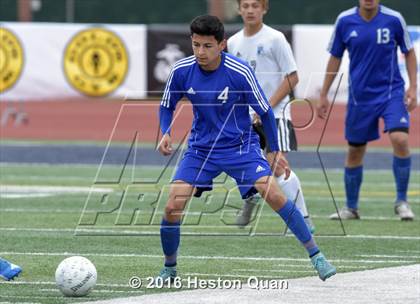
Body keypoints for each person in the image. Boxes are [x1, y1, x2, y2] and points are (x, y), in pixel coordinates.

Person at [157, 14, 336, 282]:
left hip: (240, 147)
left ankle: (317, 255)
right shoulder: (182, 70)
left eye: (207, 46)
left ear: (222, 45)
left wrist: (273, 150)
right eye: (195, 45)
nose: (200, 52)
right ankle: (169, 267)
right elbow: (166, 104)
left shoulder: (239, 71)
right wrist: (165, 132)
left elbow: (264, 112)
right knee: (172, 206)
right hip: (200, 149)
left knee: (273, 194)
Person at [318, 0, 417, 220]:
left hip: (391, 92)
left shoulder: (394, 19)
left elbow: (409, 52)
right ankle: (351, 208)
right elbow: (335, 57)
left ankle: (402, 201)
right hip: (360, 97)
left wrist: (413, 86)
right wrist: (324, 93)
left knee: (400, 139)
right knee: (355, 151)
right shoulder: (344, 21)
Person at [227, 0, 314, 232]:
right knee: (242, 165)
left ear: (264, 9)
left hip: (275, 114)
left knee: (278, 165)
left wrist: (264, 106)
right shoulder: (233, 42)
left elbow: (292, 77)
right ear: (238, 9)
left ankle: (303, 218)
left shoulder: (275, 39)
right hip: (245, 118)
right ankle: (251, 197)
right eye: (245, 6)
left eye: (255, 5)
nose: (250, 10)